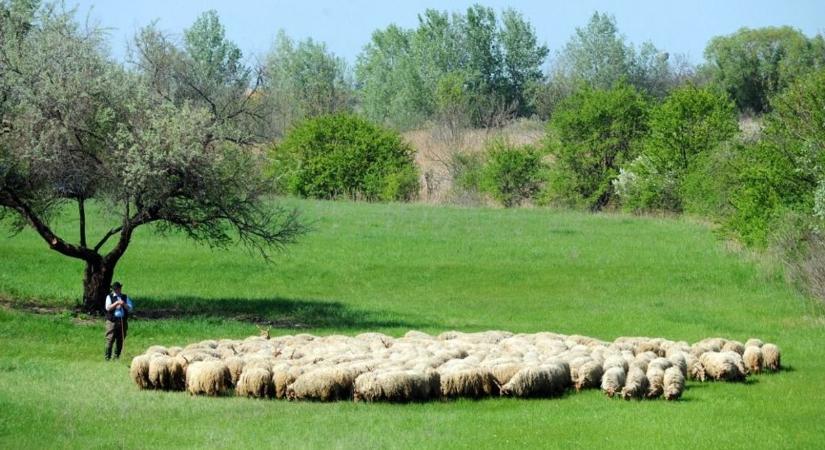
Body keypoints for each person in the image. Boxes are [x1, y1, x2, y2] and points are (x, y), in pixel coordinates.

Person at [104, 281, 133, 360]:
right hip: (112, 322)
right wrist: (116, 303)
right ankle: (107, 358)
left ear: (120, 288)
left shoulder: (125, 297)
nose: (117, 290)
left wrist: (123, 304)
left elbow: (130, 308)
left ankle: (116, 357)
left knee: (120, 340)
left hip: (122, 321)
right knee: (110, 339)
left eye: (118, 289)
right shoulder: (109, 297)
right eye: (115, 289)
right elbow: (108, 308)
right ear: (113, 290)